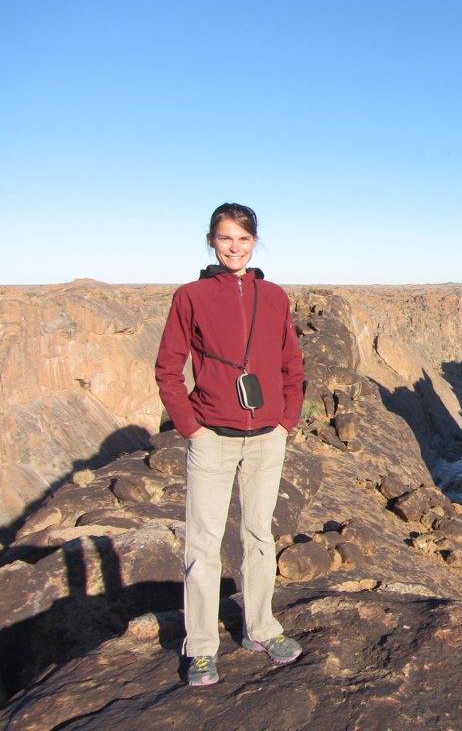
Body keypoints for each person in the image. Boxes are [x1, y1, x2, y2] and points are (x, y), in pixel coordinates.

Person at [155, 203, 305, 687]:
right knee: (203, 543)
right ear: (211, 242)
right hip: (212, 437)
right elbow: (168, 367)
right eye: (225, 239)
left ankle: (261, 628)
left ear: (254, 243)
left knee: (259, 537)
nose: (234, 247)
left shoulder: (275, 296)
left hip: (267, 439)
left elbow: (291, 367)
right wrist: (190, 427)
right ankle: (201, 647)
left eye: (242, 239)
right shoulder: (191, 297)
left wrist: (286, 422)